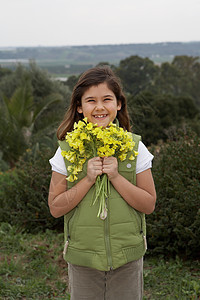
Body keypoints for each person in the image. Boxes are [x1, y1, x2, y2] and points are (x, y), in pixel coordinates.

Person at [48, 66, 156, 300]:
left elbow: (148, 205)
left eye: (107, 99)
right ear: (79, 107)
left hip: (127, 259)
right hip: (83, 259)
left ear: (118, 104)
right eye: (90, 101)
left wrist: (116, 177)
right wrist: (87, 179)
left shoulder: (135, 147)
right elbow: (56, 208)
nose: (99, 107)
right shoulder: (66, 150)